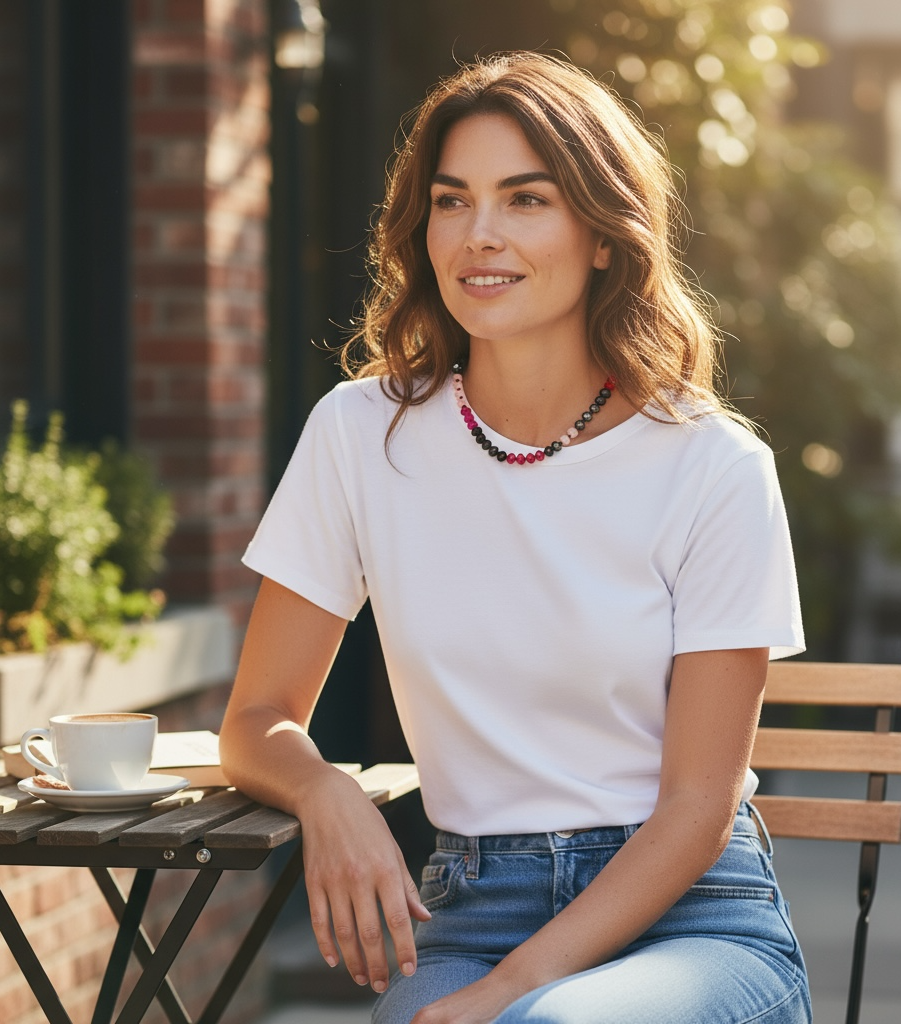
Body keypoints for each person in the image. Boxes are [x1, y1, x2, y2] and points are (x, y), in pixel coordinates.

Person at [219, 51, 812, 1024]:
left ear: (604, 237)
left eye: (525, 200)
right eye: (451, 201)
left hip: (691, 919)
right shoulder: (360, 434)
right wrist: (328, 794)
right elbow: (256, 718)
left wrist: (510, 990)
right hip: (471, 907)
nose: (479, 235)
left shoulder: (712, 466)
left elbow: (699, 808)